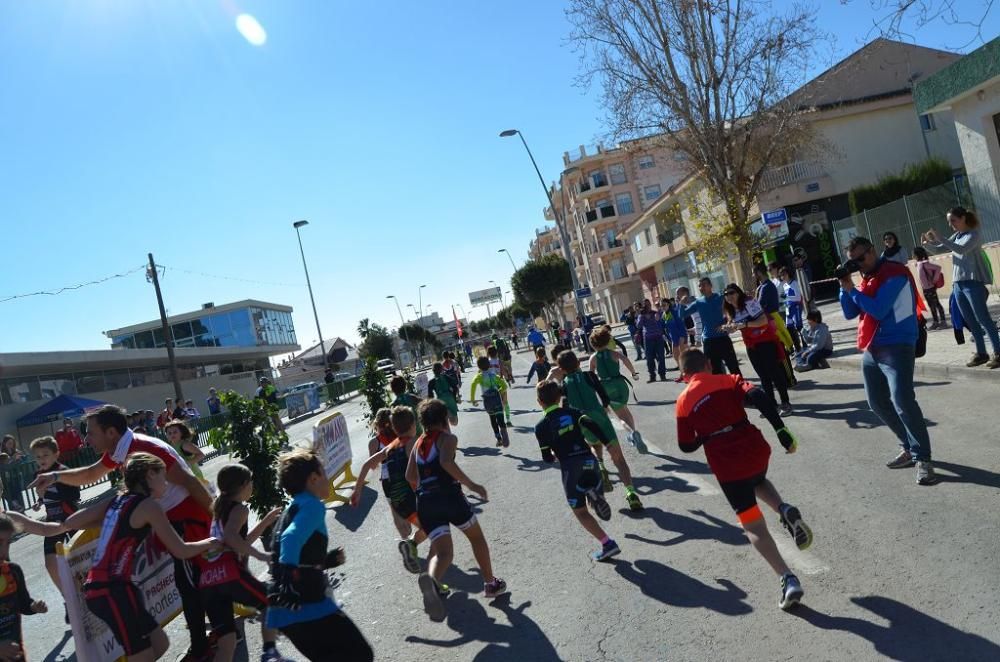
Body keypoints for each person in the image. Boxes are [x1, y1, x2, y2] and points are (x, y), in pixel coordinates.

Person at [29, 404, 216, 660]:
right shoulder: (122, 448)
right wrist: (54, 477)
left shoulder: (144, 450)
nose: (86, 438)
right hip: (170, 520)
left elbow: (191, 482)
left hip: (187, 520)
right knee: (192, 583)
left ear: (111, 432)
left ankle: (205, 644)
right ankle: (214, 635)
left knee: (191, 584)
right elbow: (91, 473)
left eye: (91, 432)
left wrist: (218, 524)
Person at [674, 350, 811, 611]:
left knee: (754, 526)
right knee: (757, 479)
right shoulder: (728, 379)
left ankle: (787, 578)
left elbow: (685, 445)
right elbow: (758, 395)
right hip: (755, 449)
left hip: (726, 464)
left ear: (684, 375)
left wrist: (706, 435)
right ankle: (783, 509)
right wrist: (781, 429)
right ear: (709, 364)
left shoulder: (682, 401)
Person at [839, 236, 938, 485]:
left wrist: (852, 290)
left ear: (873, 251)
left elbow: (879, 309)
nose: (859, 264)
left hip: (898, 344)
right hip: (873, 346)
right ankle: (909, 445)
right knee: (876, 402)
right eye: (854, 262)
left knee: (902, 400)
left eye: (862, 258)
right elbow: (851, 312)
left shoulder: (895, 272)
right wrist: (844, 286)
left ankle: (923, 459)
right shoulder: (866, 278)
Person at [266, 450, 374, 662]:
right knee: (360, 654)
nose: (328, 478)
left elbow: (291, 552)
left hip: (283, 609)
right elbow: (290, 539)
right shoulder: (313, 505)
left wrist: (325, 561)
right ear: (313, 479)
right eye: (324, 473)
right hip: (305, 602)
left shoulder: (291, 508)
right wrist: (289, 580)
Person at [405, 399, 507, 622]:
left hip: (426, 501)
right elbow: (445, 462)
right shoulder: (447, 439)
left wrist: (425, 493)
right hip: (449, 497)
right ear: (443, 420)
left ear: (423, 423)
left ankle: (432, 580)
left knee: (443, 553)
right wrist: (473, 485)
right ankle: (490, 584)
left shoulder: (417, 444)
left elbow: (410, 477)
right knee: (477, 538)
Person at [200, 464, 286, 662]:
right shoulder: (239, 509)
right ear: (243, 485)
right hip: (229, 575)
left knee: (227, 642)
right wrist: (260, 555)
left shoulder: (220, 509)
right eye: (251, 481)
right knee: (271, 600)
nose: (252, 486)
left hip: (209, 581)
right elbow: (231, 537)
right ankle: (270, 653)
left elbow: (239, 541)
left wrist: (264, 522)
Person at [532, 381, 619, 562]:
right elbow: (591, 424)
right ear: (559, 397)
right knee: (591, 495)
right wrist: (607, 443)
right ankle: (594, 496)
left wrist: (555, 456)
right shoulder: (573, 413)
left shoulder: (541, 427)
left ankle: (607, 543)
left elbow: (547, 457)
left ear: (539, 402)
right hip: (589, 460)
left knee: (580, 512)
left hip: (570, 469)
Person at [555, 350, 643, 511]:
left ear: (562, 369)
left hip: (583, 422)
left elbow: (565, 409)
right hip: (600, 418)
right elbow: (604, 399)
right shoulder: (590, 376)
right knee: (619, 459)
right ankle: (631, 494)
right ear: (578, 363)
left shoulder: (564, 386)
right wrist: (603, 409)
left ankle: (601, 467)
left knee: (595, 446)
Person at [350, 407, 427, 574]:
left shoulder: (390, 447)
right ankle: (411, 546)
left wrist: (357, 491)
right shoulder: (413, 442)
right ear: (414, 424)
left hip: (395, 497)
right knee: (432, 526)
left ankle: (411, 546)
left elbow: (366, 465)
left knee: (428, 526)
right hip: (410, 496)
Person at [922, 206, 1000, 368]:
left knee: (983, 319)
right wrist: (927, 245)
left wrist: (941, 238)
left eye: (953, 221)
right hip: (958, 284)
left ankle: (998, 352)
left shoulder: (974, 234)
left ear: (963, 218)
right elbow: (941, 248)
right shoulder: (957, 235)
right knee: (970, 321)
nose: (951, 225)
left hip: (973, 283)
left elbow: (961, 249)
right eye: (949, 222)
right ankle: (981, 353)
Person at [721, 284, 792, 415]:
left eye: (731, 293)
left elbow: (763, 320)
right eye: (726, 294)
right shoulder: (731, 310)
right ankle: (772, 405)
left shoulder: (749, 302)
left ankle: (786, 403)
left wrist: (745, 324)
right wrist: (729, 328)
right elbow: (735, 327)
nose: (729, 296)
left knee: (774, 374)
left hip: (765, 342)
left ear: (738, 292)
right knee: (763, 376)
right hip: (751, 345)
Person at [28, 436, 80, 610]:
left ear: (56, 454)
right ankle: (68, 600)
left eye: (45, 455)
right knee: (50, 563)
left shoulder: (63, 472)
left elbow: (74, 496)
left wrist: (45, 496)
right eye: (38, 456)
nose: (41, 459)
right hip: (52, 523)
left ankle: (88, 593)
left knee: (79, 558)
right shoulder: (38, 475)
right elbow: (45, 495)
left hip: (71, 519)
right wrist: (40, 502)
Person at [588, 326, 648, 454]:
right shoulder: (614, 353)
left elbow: (591, 376)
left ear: (593, 344)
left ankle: (632, 432)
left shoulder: (593, 358)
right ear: (607, 340)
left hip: (606, 387)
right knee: (625, 409)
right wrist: (633, 373)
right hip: (620, 384)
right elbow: (625, 360)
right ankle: (634, 432)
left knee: (620, 416)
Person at [0, 514, 48, 658]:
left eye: (8, 543)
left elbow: (22, 603)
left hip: (16, 655)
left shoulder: (13, 572)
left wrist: (33, 606)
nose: (3, 551)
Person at [683, 278, 741, 375]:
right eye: (699, 286)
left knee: (734, 368)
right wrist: (681, 304)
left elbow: (732, 311)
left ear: (710, 285)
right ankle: (722, 389)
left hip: (723, 338)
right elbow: (683, 314)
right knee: (715, 372)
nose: (701, 288)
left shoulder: (721, 298)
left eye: (704, 285)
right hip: (709, 341)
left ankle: (739, 389)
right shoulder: (698, 302)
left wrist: (728, 323)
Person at [754, 264, 797, 388]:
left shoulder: (767, 286)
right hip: (767, 320)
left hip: (773, 320)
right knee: (775, 351)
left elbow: (760, 305)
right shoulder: (762, 287)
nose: (753, 275)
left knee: (781, 349)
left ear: (759, 273)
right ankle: (783, 377)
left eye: (754, 273)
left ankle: (790, 378)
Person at [469, 357, 510, 448]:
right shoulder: (494, 375)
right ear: (489, 365)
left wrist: (473, 399)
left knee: (492, 419)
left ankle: (498, 438)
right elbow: (504, 386)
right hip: (497, 399)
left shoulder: (479, 377)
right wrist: (499, 390)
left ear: (478, 367)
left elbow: (473, 385)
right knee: (500, 418)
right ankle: (504, 433)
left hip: (488, 401)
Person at [913, 247, 947, 330]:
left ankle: (943, 322)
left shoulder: (925, 264)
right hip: (925, 289)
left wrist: (934, 279)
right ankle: (935, 322)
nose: (912, 255)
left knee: (937, 304)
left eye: (913, 254)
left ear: (917, 255)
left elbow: (938, 268)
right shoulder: (919, 264)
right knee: (931, 306)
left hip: (931, 288)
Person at [636, 302, 667, 382]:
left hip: (658, 337)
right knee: (649, 358)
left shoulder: (655, 313)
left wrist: (657, 316)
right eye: (646, 305)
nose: (648, 306)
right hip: (648, 338)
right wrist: (642, 316)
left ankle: (662, 375)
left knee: (661, 356)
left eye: (649, 304)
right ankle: (652, 376)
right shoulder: (641, 315)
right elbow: (638, 326)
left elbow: (661, 321)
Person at [779, 267, 805, 353]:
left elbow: (798, 297)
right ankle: (797, 347)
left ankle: (805, 344)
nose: (783, 277)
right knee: (789, 326)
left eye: (784, 274)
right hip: (788, 307)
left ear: (788, 274)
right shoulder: (785, 285)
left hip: (795, 306)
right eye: (781, 275)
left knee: (799, 325)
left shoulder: (794, 283)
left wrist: (787, 298)